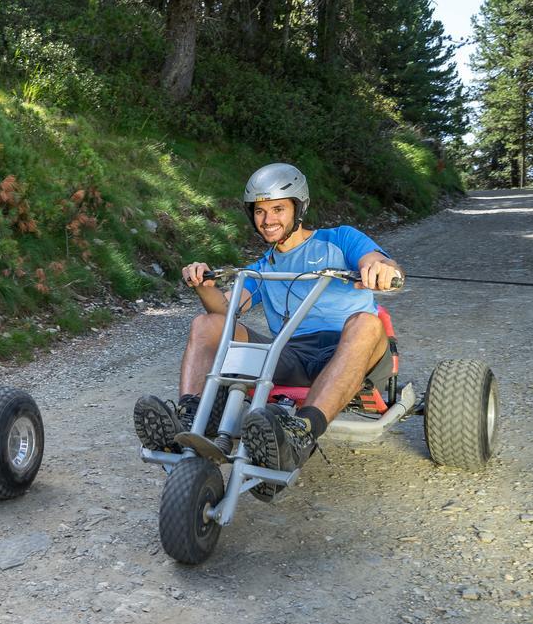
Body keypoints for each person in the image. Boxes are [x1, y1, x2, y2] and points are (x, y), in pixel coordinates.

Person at [133, 162, 402, 473]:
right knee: (206, 324)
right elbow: (226, 312)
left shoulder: (340, 239)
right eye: (260, 212)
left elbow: (378, 259)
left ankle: (302, 434)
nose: (268, 220)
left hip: (353, 350)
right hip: (291, 354)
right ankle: (191, 420)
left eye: (278, 209)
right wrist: (203, 286)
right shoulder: (262, 267)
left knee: (366, 321)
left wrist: (381, 269)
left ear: (298, 208)